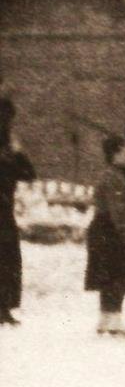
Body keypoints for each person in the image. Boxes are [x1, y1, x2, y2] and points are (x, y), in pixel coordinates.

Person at [85, 136, 125, 336]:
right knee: (118, 272)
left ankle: (105, 318)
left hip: (102, 228)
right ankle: (114, 319)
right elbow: (116, 208)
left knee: (107, 274)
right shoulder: (114, 177)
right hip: (111, 230)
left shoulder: (110, 174)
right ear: (115, 153)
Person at [0, 115, 34, 325]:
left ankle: (3, 308)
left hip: (4, 215)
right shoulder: (6, 160)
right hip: (3, 215)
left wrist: (18, 152)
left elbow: (29, 174)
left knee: (7, 262)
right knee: (6, 262)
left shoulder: (8, 159)